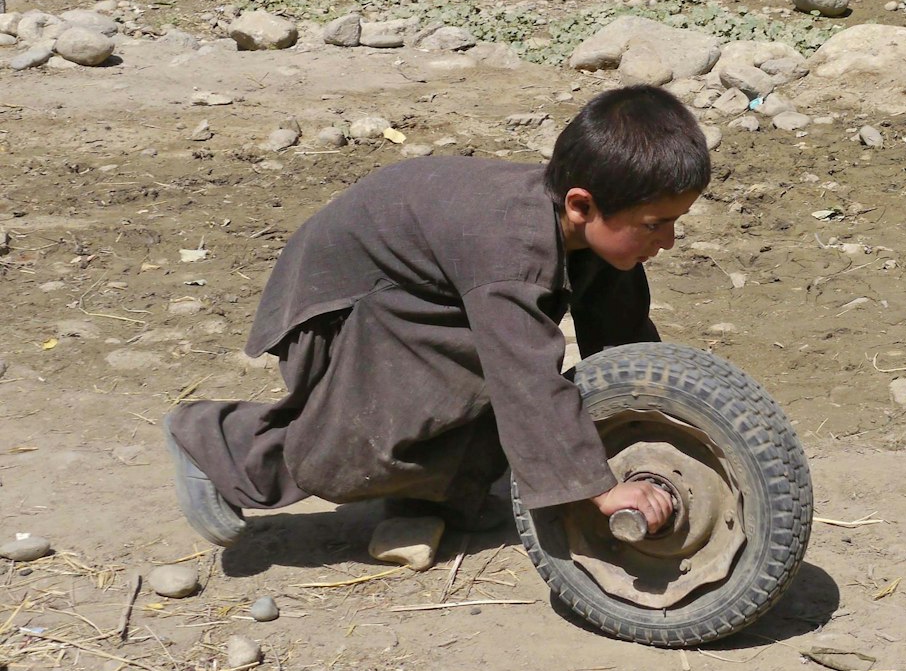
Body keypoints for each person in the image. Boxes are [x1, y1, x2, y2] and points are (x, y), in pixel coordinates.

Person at [164, 86, 703, 546]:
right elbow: (525, 383)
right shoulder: (511, 251)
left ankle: (436, 495)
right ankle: (223, 448)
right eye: (656, 224)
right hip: (339, 307)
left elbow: (626, 348)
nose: (670, 241)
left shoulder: (592, 231)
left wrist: (659, 424)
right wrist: (601, 488)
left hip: (423, 287)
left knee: (510, 361)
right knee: (399, 419)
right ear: (582, 205)